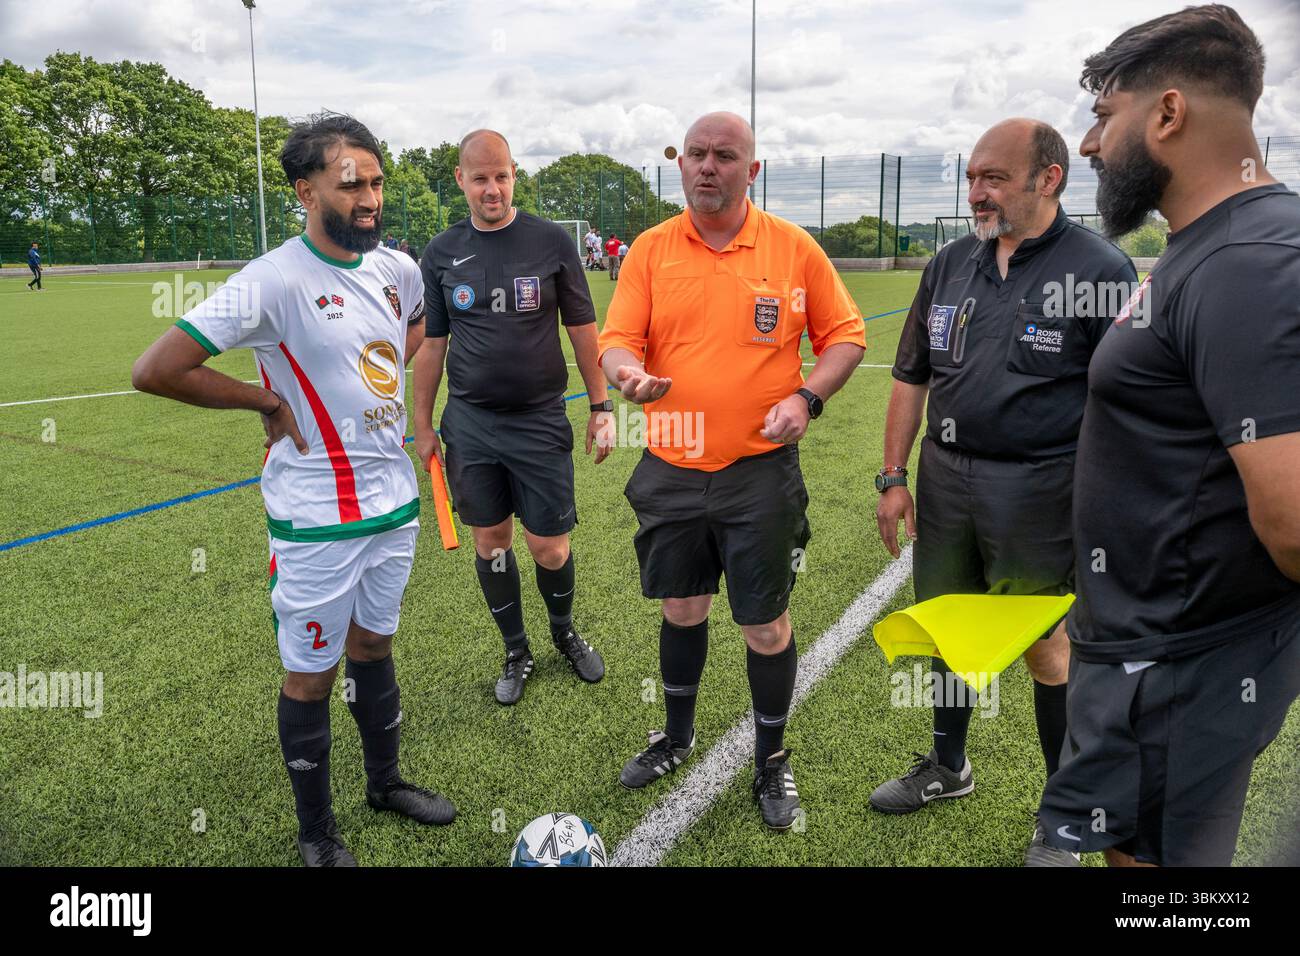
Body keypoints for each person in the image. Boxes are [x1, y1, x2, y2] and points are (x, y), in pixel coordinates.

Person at [131, 114, 453, 868]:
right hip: (315, 520)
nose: (370, 199)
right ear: (307, 192)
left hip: (394, 505)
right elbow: (157, 369)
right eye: (351, 184)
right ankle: (317, 832)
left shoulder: (397, 270)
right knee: (312, 673)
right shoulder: (272, 280)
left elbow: (410, 332)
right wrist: (267, 401)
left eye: (376, 183)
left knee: (374, 645)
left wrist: (383, 383)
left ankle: (385, 783)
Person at [1035, 3, 1300, 868]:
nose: (1088, 144)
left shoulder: (1246, 261)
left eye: (1103, 115)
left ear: (1169, 113)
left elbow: (1294, 521)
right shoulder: (1215, 242)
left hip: (1183, 665)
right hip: (1156, 654)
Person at [871, 119, 1137, 866]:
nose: (976, 193)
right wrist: (893, 476)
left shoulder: (1100, 270)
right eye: (971, 178)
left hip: (1043, 488)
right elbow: (911, 375)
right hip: (945, 479)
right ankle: (948, 766)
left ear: (1049, 179)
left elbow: (1129, 402)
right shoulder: (950, 263)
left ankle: (1065, 814)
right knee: (951, 631)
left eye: (993, 178)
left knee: (1047, 649)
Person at [598, 111, 866, 830]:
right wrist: (626, 376)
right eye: (696, 154)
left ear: (752, 171)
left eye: (723, 155)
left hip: (759, 473)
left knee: (765, 625)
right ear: (680, 164)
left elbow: (845, 336)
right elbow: (616, 341)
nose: (707, 166)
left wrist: (807, 398)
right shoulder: (651, 250)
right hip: (671, 466)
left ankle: (771, 760)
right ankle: (676, 738)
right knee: (681, 608)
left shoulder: (792, 248)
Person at [413, 129, 610, 706]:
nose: (492, 189)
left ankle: (563, 632)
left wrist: (601, 407)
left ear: (514, 174)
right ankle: (515, 648)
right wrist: (422, 425)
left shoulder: (550, 241)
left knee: (550, 546)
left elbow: (582, 329)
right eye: (480, 178)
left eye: (501, 176)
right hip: (470, 425)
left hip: (539, 420)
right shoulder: (441, 252)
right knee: (492, 542)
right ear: (461, 180)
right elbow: (432, 346)